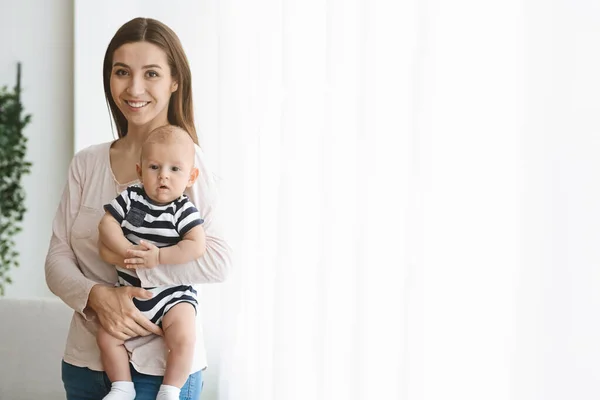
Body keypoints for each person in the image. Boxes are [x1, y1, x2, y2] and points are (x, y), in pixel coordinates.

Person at [45, 17, 231, 400]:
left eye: (151, 74)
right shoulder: (86, 163)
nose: (134, 88)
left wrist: (142, 259)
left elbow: (218, 262)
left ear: (174, 80)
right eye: (121, 72)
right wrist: (98, 295)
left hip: (162, 374)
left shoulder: (189, 168)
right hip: (84, 364)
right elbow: (56, 259)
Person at [97, 125, 206, 400]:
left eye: (174, 169)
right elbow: (107, 224)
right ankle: (122, 386)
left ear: (191, 176)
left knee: (183, 336)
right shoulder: (132, 198)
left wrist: (159, 256)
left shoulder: (182, 209)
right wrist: (125, 249)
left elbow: (196, 244)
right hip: (130, 292)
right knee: (107, 336)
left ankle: (170, 390)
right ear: (139, 170)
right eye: (155, 167)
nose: (163, 177)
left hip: (173, 295)